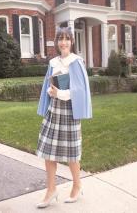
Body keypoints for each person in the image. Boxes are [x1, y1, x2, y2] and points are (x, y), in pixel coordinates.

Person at [36, 26, 92, 208]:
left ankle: (77, 185)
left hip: (70, 112)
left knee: (72, 154)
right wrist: (50, 91)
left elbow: (80, 91)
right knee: (48, 152)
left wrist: (60, 93)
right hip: (54, 112)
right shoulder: (53, 62)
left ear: (72, 41)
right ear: (57, 42)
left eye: (67, 38)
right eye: (60, 38)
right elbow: (47, 84)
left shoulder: (77, 62)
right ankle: (51, 190)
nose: (63, 42)